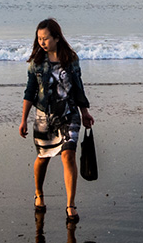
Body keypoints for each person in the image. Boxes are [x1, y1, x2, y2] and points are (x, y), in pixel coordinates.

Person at [20, 18, 94, 223]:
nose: (42, 42)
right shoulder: (36, 62)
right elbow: (30, 92)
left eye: (46, 38)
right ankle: (39, 192)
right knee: (43, 157)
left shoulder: (71, 59)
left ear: (57, 38)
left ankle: (70, 205)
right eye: (39, 39)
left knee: (68, 155)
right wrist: (23, 119)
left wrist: (85, 112)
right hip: (45, 116)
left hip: (69, 113)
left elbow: (78, 87)